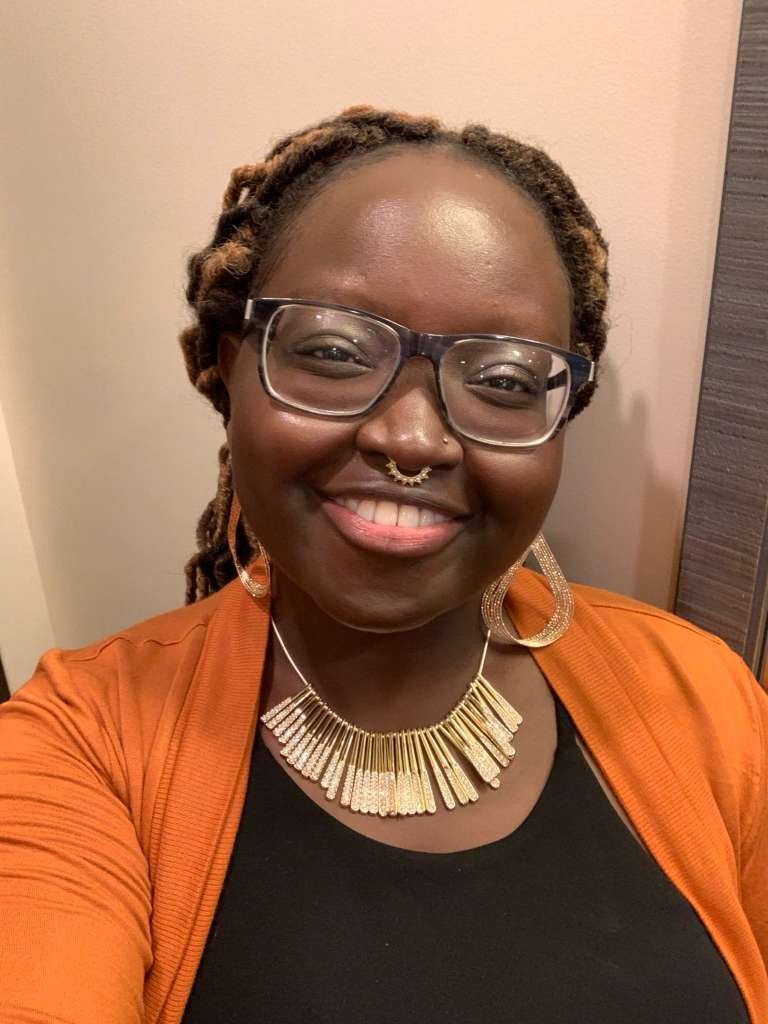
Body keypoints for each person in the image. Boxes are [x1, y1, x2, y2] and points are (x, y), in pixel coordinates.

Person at [0, 105, 765, 1024]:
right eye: (331, 351)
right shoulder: (80, 744)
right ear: (230, 367)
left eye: (506, 379)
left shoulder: (707, 700)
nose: (410, 437)